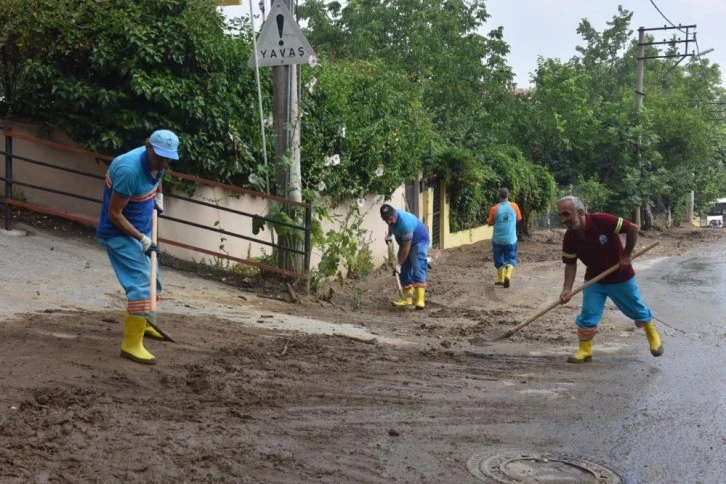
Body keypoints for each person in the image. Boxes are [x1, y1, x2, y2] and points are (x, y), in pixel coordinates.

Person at [97, 129, 180, 365]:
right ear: (148, 147)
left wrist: (158, 198)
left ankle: (144, 323)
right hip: (119, 233)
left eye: (169, 158)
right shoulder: (128, 170)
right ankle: (131, 345)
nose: (164, 162)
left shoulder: (160, 161)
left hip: (140, 228)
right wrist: (143, 240)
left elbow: (158, 175)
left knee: (155, 281)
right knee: (142, 285)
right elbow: (114, 214)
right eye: (160, 156)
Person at [557, 195, 664, 363]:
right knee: (588, 314)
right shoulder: (570, 237)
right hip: (595, 280)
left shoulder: (602, 220)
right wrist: (567, 289)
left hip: (621, 277)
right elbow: (570, 264)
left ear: (580, 212)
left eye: (566, 214)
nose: (563, 220)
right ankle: (585, 351)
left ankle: (652, 335)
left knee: (636, 309)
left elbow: (633, 228)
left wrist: (626, 254)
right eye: (561, 216)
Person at [381, 204, 430, 309]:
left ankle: (420, 300)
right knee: (404, 269)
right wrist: (389, 234)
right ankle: (407, 299)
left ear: (394, 214)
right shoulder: (391, 218)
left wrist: (398, 264)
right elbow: (391, 225)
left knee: (418, 266)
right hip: (405, 244)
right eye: (385, 220)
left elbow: (406, 249)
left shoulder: (405, 223)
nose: (388, 222)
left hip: (419, 242)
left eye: (390, 219)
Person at [487, 187, 522, 288]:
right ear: (508, 195)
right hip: (511, 239)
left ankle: (501, 280)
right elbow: (519, 218)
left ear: (499, 196)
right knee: (511, 258)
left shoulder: (494, 209)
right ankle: (508, 275)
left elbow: (490, 222)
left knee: (499, 259)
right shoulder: (514, 206)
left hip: (497, 240)